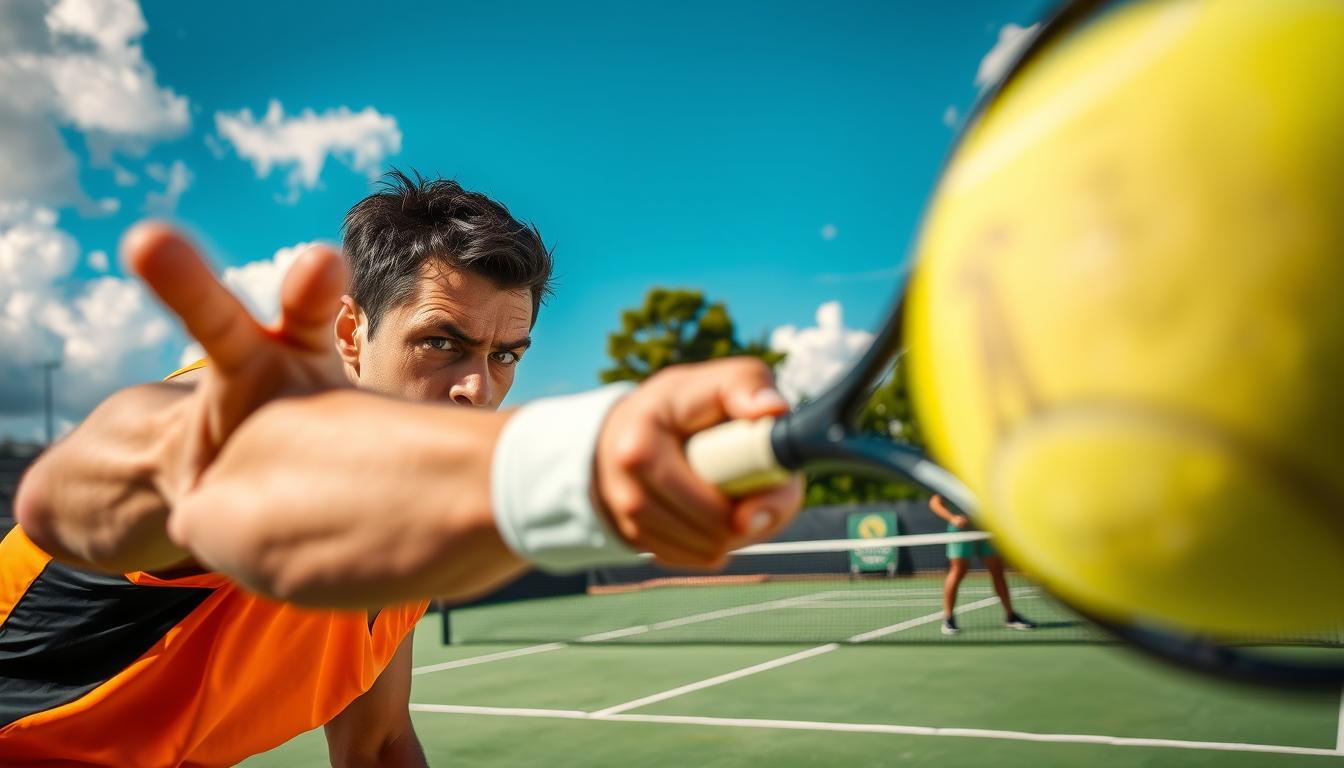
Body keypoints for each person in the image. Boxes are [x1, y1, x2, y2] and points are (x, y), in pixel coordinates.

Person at [5, 172, 803, 767]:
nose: (476, 386)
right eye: (441, 342)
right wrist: (572, 462)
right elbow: (69, 493)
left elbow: (379, 740)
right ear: (352, 333)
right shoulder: (222, 418)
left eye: (505, 355)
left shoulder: (412, 529)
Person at [928, 493, 1034, 636]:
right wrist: (953, 518)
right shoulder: (953, 475)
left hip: (985, 527)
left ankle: (1011, 616)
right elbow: (935, 502)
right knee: (959, 570)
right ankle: (948, 618)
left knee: (997, 570)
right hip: (961, 530)